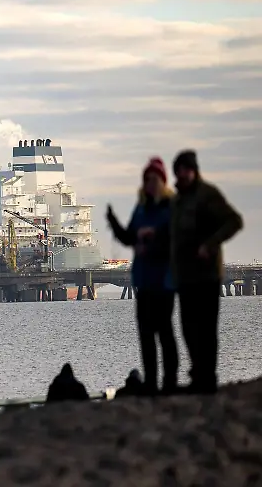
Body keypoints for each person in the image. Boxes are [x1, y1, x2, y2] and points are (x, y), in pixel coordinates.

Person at [170, 150, 243, 394]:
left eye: (186, 169)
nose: (182, 174)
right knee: (188, 327)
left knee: (206, 329)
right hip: (185, 276)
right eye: (179, 170)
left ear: (194, 171)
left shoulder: (208, 195)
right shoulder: (178, 201)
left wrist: (210, 245)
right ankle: (198, 373)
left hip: (207, 275)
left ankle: (207, 378)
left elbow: (234, 221)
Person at [106, 156, 178, 395]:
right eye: (147, 179)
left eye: (155, 179)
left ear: (163, 181)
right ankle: (151, 383)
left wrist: (152, 239)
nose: (150, 183)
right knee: (146, 335)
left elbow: (174, 238)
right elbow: (129, 237)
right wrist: (113, 223)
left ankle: (169, 382)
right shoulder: (141, 208)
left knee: (164, 332)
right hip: (144, 281)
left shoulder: (170, 208)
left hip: (164, 281)